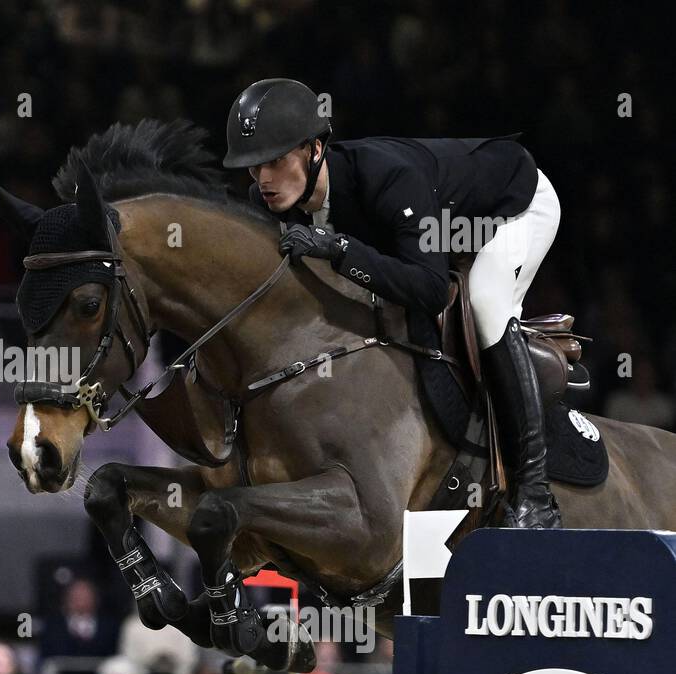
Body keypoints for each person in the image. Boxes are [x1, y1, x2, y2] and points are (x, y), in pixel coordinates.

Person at [224, 78, 562, 528]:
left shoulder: (388, 177)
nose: (263, 179)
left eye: (275, 161)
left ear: (314, 150)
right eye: (252, 168)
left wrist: (340, 250)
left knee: (485, 303)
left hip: (511, 204)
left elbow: (429, 288)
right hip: (439, 226)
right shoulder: (273, 198)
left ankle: (536, 493)